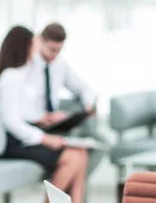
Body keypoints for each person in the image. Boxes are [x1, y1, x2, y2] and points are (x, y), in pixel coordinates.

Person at [0, 26, 89, 203]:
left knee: (80, 153)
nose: (35, 51)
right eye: (33, 45)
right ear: (24, 47)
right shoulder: (10, 77)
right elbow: (11, 122)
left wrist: (41, 119)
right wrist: (45, 138)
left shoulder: (20, 75)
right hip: (14, 141)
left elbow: (21, 111)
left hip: (26, 134)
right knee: (71, 157)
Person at [31, 22, 106, 175]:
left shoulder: (59, 66)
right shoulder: (27, 67)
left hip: (57, 127)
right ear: (40, 41)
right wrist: (42, 117)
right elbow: (20, 108)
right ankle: (65, 189)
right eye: (52, 49)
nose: (54, 55)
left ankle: (69, 188)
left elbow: (86, 89)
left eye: (59, 50)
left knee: (100, 143)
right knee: (77, 155)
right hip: (36, 127)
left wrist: (88, 105)